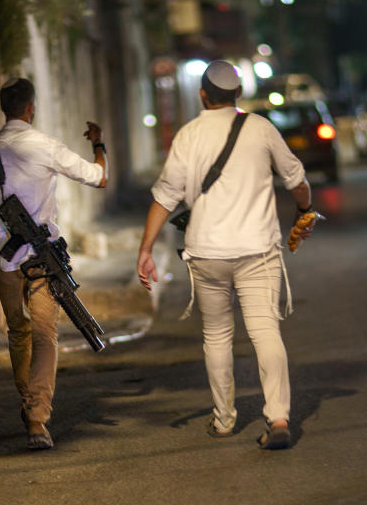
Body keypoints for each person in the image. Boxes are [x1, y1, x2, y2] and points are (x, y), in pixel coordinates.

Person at [137, 60, 313, 450]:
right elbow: (297, 181)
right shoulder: (261, 128)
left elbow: (164, 197)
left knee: (217, 336)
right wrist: (304, 210)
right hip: (257, 251)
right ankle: (279, 417)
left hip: (207, 253)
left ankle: (223, 421)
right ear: (237, 94)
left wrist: (146, 248)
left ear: (202, 95)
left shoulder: (188, 135)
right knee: (265, 330)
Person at [0, 77, 107, 451]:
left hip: (4, 261)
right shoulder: (45, 146)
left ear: (4, 109)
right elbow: (98, 177)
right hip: (41, 260)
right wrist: (98, 144)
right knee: (45, 336)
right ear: (30, 108)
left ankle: (30, 404)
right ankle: (37, 419)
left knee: (19, 332)